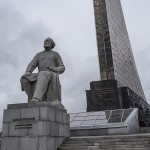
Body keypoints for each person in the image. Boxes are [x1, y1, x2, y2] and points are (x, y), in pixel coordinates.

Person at [20, 38, 65, 105]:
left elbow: (62, 67)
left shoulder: (55, 54)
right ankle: (32, 98)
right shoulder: (39, 54)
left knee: (43, 73)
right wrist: (28, 71)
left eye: (48, 41)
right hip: (40, 75)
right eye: (45, 41)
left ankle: (37, 98)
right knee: (24, 78)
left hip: (51, 74)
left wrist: (54, 69)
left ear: (51, 44)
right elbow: (32, 64)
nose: (46, 42)